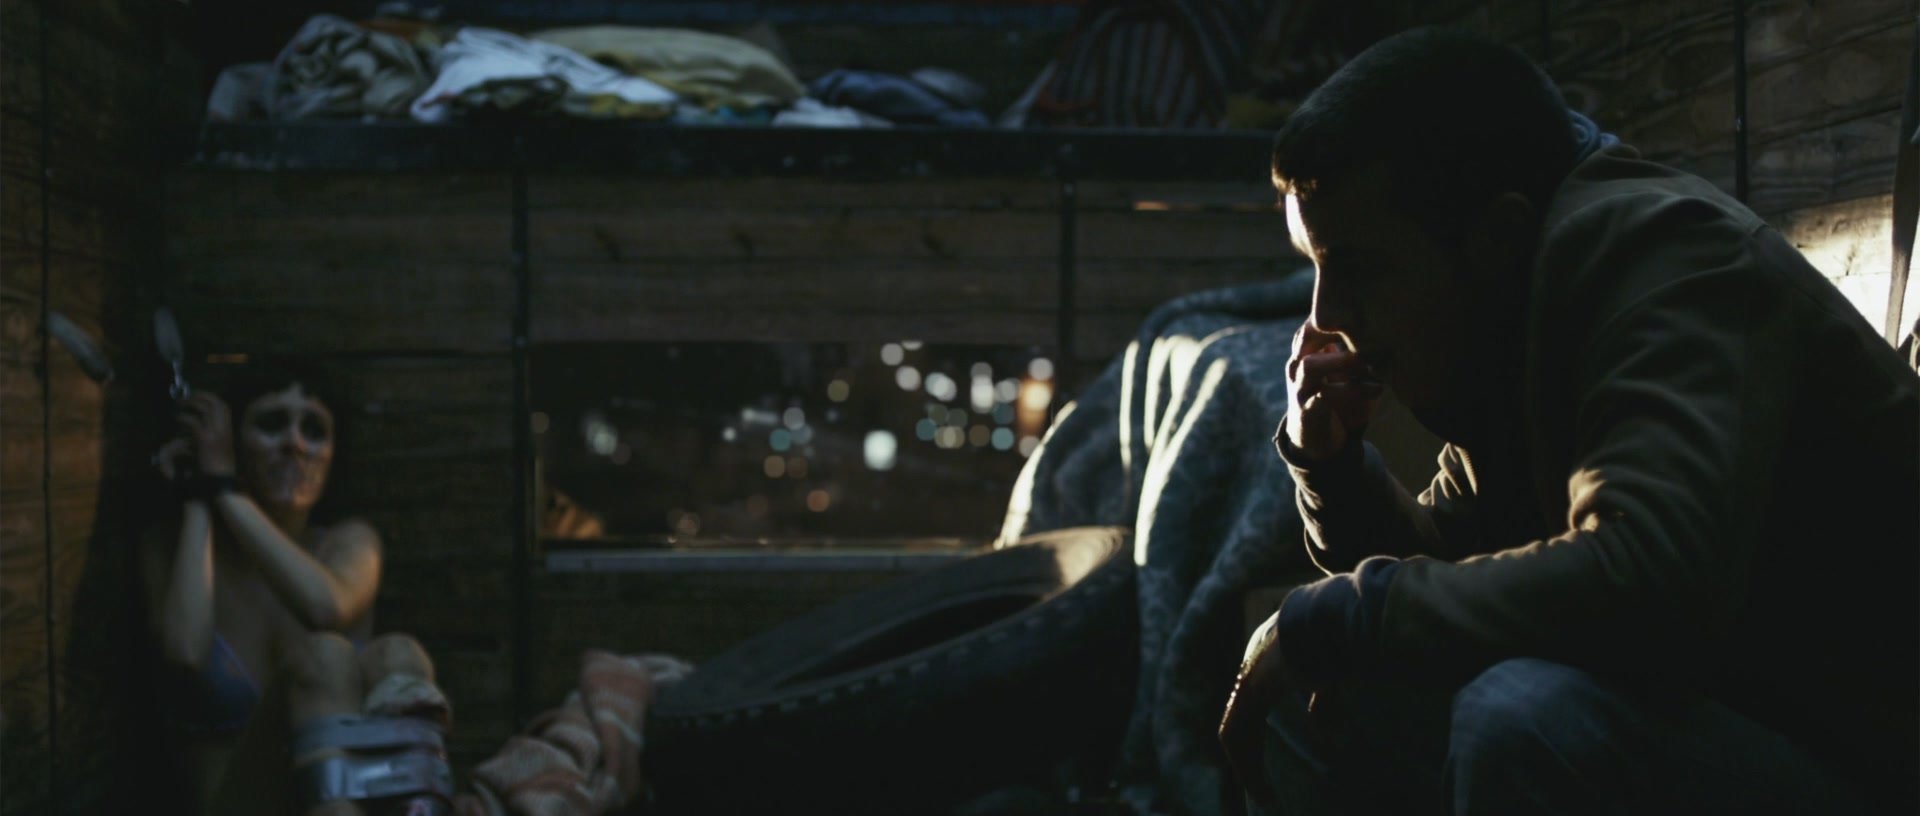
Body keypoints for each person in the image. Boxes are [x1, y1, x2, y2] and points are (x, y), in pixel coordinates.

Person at [1216, 28, 1918, 816]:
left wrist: (1352, 613)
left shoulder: (1668, 261)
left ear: (1496, 238)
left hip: (1866, 762)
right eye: (1316, 267)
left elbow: (1648, 581)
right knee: (1314, 696)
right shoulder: (1510, 314)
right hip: (1727, 722)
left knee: (1526, 719)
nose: (1326, 316)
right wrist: (1333, 472)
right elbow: (1461, 575)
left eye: (1356, 267)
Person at [142, 361, 452, 814]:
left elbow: (326, 607)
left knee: (400, 655)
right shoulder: (172, 544)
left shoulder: (350, 542)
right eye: (272, 424)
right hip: (237, 805)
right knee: (322, 659)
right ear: (229, 444)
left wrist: (223, 488)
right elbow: (185, 652)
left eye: (314, 430)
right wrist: (199, 497)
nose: (295, 444)